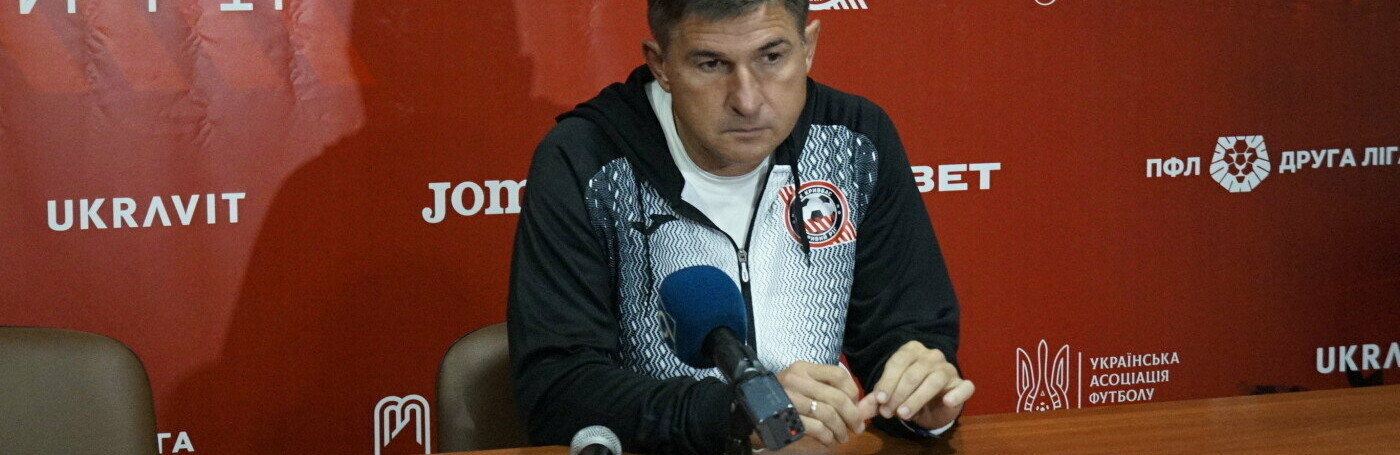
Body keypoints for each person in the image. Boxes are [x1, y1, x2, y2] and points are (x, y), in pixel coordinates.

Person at [507, 1, 972, 453]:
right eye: (711, 64)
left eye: (771, 58)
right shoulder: (585, 161)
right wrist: (734, 416)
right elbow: (557, 391)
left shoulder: (855, 142)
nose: (747, 101)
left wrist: (920, 398)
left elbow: (903, 335)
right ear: (661, 64)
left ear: (808, 46)